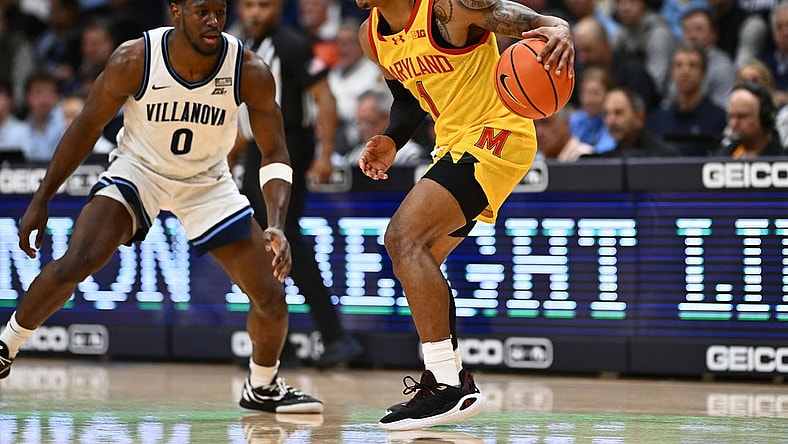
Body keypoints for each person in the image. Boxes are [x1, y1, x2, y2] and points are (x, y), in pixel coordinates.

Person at [0, 0, 323, 414]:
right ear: (176, 10)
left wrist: (276, 223)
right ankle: (6, 346)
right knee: (79, 259)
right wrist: (42, 198)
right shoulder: (134, 58)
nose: (213, 22)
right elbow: (86, 126)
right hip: (140, 170)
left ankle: (262, 386)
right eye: (202, 12)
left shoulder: (249, 69)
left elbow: (275, 150)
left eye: (219, 13)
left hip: (207, 182)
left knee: (271, 295)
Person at [354, 0, 575, 430]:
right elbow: (408, 98)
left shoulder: (450, 9)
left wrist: (558, 26)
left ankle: (446, 384)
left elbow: (525, 20)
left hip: (497, 133)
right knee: (419, 260)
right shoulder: (371, 36)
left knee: (402, 239)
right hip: (452, 145)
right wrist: (393, 139)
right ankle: (450, 380)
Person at [229, 0, 363, 368]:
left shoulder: (291, 43)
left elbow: (325, 97)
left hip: (288, 149)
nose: (256, 13)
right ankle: (282, 343)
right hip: (257, 151)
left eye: (265, 5)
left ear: (279, 9)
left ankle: (332, 337)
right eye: (250, 5)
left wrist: (324, 153)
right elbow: (245, 114)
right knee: (267, 245)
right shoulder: (245, 46)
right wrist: (233, 154)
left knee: (283, 238)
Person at [646, 44, 727, 156]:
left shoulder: (719, 118)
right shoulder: (657, 120)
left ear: (703, 74)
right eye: (679, 65)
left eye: (692, 65)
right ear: (672, 73)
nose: (685, 71)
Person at [583, 87, 680, 157]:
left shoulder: (666, 157)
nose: (610, 122)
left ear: (639, 118)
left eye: (618, 113)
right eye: (606, 114)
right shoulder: (607, 158)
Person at [343, 89, 429, 166]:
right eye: (359, 122)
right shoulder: (355, 156)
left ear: (386, 119)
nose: (362, 128)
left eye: (368, 122)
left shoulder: (409, 153)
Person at [715, 81, 787, 157]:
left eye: (742, 116)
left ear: (764, 117)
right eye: (731, 116)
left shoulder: (782, 158)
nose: (734, 123)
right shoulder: (724, 155)